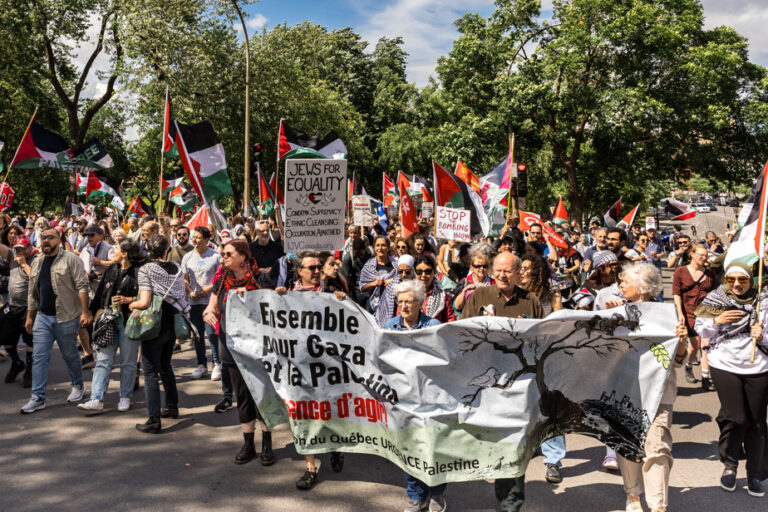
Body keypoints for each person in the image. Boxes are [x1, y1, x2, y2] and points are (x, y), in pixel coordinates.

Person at [462, 252, 542, 512]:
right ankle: (502, 493)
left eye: (508, 271)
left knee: (517, 443)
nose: (502, 275)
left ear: (519, 273)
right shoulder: (479, 297)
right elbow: (462, 335)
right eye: (498, 270)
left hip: (520, 386)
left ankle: (512, 502)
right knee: (497, 442)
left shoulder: (531, 301)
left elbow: (542, 341)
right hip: (489, 386)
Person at [612, 263, 688, 512]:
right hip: (625, 392)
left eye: (626, 282)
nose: (621, 285)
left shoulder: (668, 315)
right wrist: (607, 325)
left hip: (659, 394)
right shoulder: (614, 311)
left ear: (643, 288)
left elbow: (678, 361)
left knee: (657, 449)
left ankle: (658, 507)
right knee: (628, 445)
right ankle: (633, 495)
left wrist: (682, 341)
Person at [694, 262, 768, 498]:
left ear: (751, 281)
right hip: (724, 363)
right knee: (736, 418)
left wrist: (762, 335)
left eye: (743, 280)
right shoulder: (716, 298)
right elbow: (700, 329)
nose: (737, 284)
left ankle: (754, 473)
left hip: (759, 365)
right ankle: (730, 464)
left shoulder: (763, 300)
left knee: (757, 422)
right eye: (731, 279)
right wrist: (717, 321)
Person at [275, 250, 346, 489]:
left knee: (330, 412)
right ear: (299, 272)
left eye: (319, 267)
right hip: (300, 368)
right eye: (312, 268)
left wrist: (341, 303)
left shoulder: (330, 295)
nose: (317, 271)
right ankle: (310, 468)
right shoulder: (288, 296)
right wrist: (278, 300)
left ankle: (335, 447)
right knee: (303, 416)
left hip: (327, 368)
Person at [203, 239, 276, 465]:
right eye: (223, 254)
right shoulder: (222, 280)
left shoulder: (261, 279)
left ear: (243, 256)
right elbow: (211, 307)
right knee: (242, 394)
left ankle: (267, 443)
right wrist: (208, 313)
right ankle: (248, 443)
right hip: (230, 345)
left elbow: (274, 310)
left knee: (261, 394)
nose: (223, 257)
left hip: (257, 347)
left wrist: (252, 298)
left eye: (227, 254)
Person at [383, 279, 446, 512]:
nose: (404, 306)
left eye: (409, 302)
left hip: (430, 397)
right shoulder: (389, 326)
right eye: (400, 302)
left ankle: (438, 494)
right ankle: (415, 496)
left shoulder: (433, 326)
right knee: (409, 448)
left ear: (420, 303)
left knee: (433, 448)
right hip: (402, 399)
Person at [21, 228, 91, 413]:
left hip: (66, 316)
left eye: (50, 238)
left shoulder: (71, 259)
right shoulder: (37, 262)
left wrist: (85, 311)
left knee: (69, 355)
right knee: (39, 357)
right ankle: (37, 398)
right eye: (43, 238)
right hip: (42, 317)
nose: (45, 241)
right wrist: (30, 316)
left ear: (59, 239)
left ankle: (78, 385)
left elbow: (82, 286)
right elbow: (32, 291)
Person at [128, 235, 189, 433]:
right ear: (167, 249)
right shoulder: (176, 267)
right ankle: (172, 406)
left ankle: (153, 419)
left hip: (154, 324)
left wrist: (132, 304)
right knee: (166, 366)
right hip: (173, 322)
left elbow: (145, 301)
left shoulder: (146, 269)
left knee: (150, 372)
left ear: (148, 249)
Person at [78, 239, 146, 412]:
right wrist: (90, 314)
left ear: (124, 253)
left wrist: (128, 300)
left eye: (116, 248)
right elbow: (101, 293)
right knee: (103, 359)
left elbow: (146, 298)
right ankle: (96, 398)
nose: (113, 251)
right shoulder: (111, 269)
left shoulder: (139, 272)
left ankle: (125, 397)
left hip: (129, 321)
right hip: (108, 320)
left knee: (128, 361)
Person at [673, 244, 717, 389]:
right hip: (688, 312)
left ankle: (706, 377)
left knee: (705, 345)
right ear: (692, 254)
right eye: (701, 255)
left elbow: (716, 294)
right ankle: (688, 364)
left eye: (705, 256)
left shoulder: (710, 274)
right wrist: (680, 313)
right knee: (694, 346)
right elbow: (676, 294)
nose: (704, 258)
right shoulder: (680, 271)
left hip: (705, 313)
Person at [181, 226, 222, 380]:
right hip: (193, 302)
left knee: (211, 334)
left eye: (198, 237)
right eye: (194, 237)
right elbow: (184, 278)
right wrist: (190, 290)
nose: (195, 240)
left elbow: (220, 278)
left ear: (206, 239)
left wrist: (208, 289)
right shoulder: (188, 257)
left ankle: (217, 363)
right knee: (197, 335)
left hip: (210, 301)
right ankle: (201, 364)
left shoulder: (215, 257)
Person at [0, 235, 38, 387]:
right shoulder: (12, 255)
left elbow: (37, 279)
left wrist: (24, 265)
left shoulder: (36, 259)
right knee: (5, 337)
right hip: (12, 305)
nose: (20, 252)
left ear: (29, 247)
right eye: (18, 249)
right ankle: (17, 363)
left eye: (23, 249)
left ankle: (29, 370)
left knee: (30, 339)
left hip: (29, 307)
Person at [358, 236, 397, 312]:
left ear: (388, 248)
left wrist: (394, 281)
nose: (380, 248)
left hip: (392, 304)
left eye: (383, 245)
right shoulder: (369, 266)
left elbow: (404, 280)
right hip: (373, 306)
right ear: (374, 248)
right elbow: (362, 288)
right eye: (378, 245)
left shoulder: (396, 265)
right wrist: (374, 283)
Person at [375, 254, 415, 326]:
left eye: (407, 272)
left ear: (413, 270)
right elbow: (385, 309)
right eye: (400, 272)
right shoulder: (392, 286)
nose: (404, 275)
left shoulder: (418, 285)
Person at [414, 255, 455, 324]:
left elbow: (450, 321)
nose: (423, 275)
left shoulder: (442, 296)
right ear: (415, 272)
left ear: (434, 272)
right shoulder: (408, 293)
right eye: (419, 272)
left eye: (428, 271)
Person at [454, 248, 495, 315]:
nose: (481, 268)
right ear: (472, 267)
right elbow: (457, 307)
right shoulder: (465, 282)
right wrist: (464, 291)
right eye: (478, 266)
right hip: (469, 317)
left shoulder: (494, 283)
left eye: (484, 266)